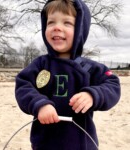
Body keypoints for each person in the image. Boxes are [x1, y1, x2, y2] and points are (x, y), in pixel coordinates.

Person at [15, 0, 121, 149]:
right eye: (51, 22)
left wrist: (93, 95)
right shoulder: (40, 65)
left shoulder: (88, 67)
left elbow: (113, 84)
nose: (57, 27)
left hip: (81, 143)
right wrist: (39, 105)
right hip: (45, 143)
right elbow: (23, 85)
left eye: (67, 23)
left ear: (80, 29)